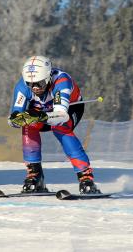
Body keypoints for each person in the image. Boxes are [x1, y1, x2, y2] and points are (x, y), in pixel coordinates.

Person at [8, 56, 101, 194]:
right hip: (42, 110)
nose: (34, 88)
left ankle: (86, 178)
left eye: (39, 83)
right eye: (30, 84)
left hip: (69, 109)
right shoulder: (22, 86)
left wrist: (40, 116)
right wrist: (16, 119)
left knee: (60, 128)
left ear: (48, 77)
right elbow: (13, 119)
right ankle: (35, 175)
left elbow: (61, 116)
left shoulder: (61, 81)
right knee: (28, 124)